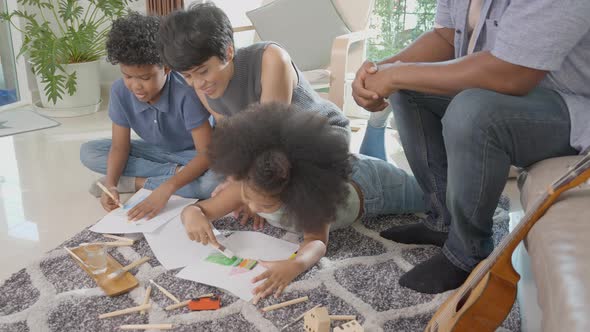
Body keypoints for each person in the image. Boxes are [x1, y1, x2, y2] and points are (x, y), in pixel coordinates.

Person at [352, 0, 590, 294]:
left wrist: (397, 73)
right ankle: (442, 220)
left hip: (573, 106)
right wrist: (381, 72)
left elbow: (512, 73)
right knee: (409, 87)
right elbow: (446, 37)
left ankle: (467, 252)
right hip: (515, 90)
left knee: (473, 111)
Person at [180, 103, 425, 300]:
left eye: (264, 206)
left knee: (435, 196)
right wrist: (193, 215)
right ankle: (377, 123)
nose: (252, 208)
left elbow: (317, 241)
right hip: (347, 169)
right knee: (374, 157)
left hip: (373, 186)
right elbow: (200, 209)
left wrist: (295, 264)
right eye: (246, 198)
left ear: (293, 193)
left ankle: (383, 123)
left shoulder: (310, 199)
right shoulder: (246, 184)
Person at [80, 12, 219, 221]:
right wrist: (110, 184)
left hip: (194, 155)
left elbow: (206, 154)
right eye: (128, 76)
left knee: (211, 185)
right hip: (157, 152)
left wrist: (166, 188)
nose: (136, 86)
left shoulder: (186, 92)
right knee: (89, 152)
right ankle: (165, 174)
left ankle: (136, 182)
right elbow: (120, 147)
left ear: (166, 68)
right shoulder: (120, 91)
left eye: (145, 77)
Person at [157, 3, 351, 143]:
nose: (197, 83)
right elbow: (230, 134)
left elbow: (270, 136)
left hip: (321, 135)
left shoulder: (271, 58)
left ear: (228, 51)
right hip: (278, 147)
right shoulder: (201, 84)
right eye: (187, 76)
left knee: (267, 189)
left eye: (203, 71)